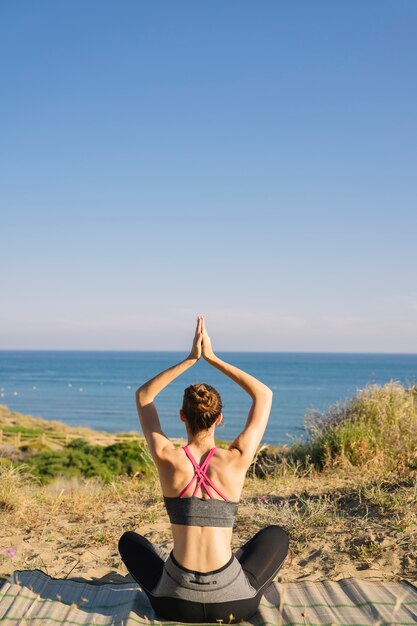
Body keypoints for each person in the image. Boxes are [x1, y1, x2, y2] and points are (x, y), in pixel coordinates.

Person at [118, 316, 289, 623]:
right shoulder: (236, 458)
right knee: (276, 536)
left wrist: (190, 360)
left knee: (129, 541)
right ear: (219, 419)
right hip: (233, 604)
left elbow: (143, 396)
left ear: (182, 416)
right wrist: (212, 358)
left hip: (173, 603)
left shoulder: (166, 456)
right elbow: (264, 395)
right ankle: (249, 586)